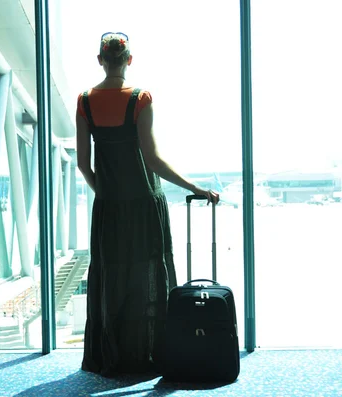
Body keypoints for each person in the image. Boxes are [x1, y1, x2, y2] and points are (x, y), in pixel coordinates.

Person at [75, 32, 219, 376]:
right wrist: (194, 187)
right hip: (144, 204)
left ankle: (111, 355)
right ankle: (149, 354)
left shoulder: (84, 100)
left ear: (100, 60)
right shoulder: (140, 99)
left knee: (112, 278)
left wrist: (105, 193)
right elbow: (152, 160)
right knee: (148, 275)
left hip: (108, 207)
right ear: (129, 60)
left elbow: (83, 163)